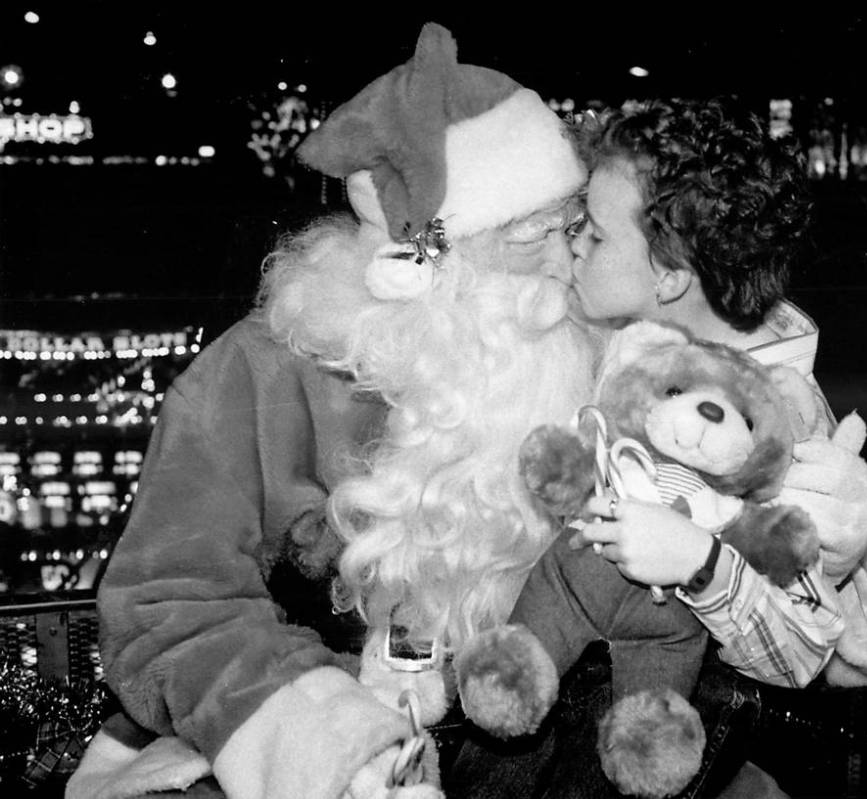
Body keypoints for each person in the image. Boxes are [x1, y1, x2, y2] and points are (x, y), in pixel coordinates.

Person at [67, 22, 596, 799]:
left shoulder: (587, 352)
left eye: (570, 230)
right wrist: (335, 742)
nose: (562, 269)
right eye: (529, 239)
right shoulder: (260, 373)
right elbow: (166, 599)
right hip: (296, 734)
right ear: (429, 261)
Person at [558, 98, 867, 793]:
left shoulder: (778, 430)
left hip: (676, 718)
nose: (573, 243)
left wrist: (699, 561)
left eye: (594, 234)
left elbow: (800, 650)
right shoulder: (637, 329)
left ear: (668, 276)